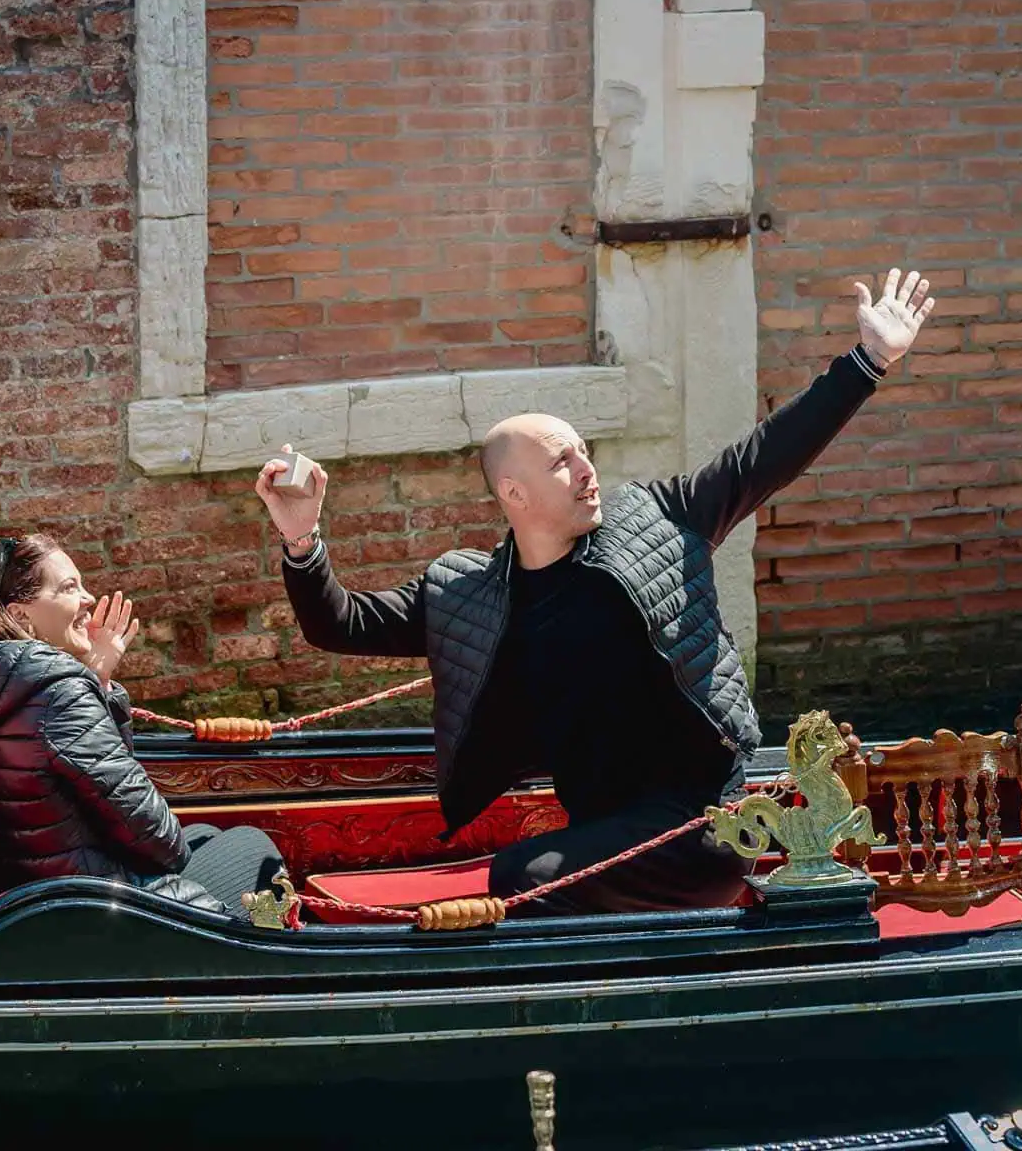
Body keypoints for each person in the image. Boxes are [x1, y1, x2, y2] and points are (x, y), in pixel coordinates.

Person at [259, 268, 936, 915]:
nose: (588, 469)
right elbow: (339, 625)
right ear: (514, 494)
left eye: (585, 450)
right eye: (563, 460)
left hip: (705, 824)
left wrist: (868, 360)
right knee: (521, 872)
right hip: (607, 830)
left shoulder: (662, 519)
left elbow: (767, 455)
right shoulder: (469, 594)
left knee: (518, 877)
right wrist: (301, 542)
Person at [0, 534, 285, 923]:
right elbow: (162, 842)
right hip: (93, 910)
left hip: (35, 897)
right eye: (69, 588)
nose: (88, 599)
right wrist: (83, 689)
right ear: (20, 616)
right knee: (251, 845)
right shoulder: (60, 696)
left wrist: (96, 680)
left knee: (205, 833)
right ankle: (264, 954)